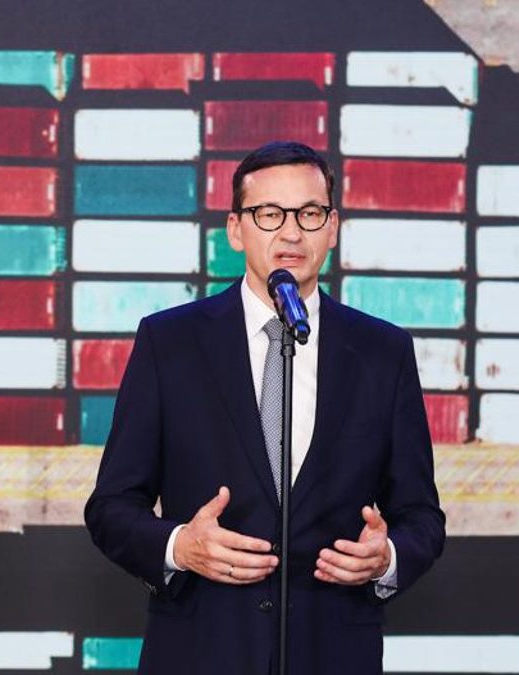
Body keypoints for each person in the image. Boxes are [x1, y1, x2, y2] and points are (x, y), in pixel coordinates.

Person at [85, 141, 445, 674]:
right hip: (200, 653)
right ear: (236, 229)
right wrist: (180, 546)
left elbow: (421, 517)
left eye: (309, 213)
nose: (292, 232)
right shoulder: (170, 343)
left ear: (332, 227)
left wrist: (385, 557)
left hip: (333, 653)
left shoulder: (382, 352)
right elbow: (111, 508)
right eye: (269, 214)